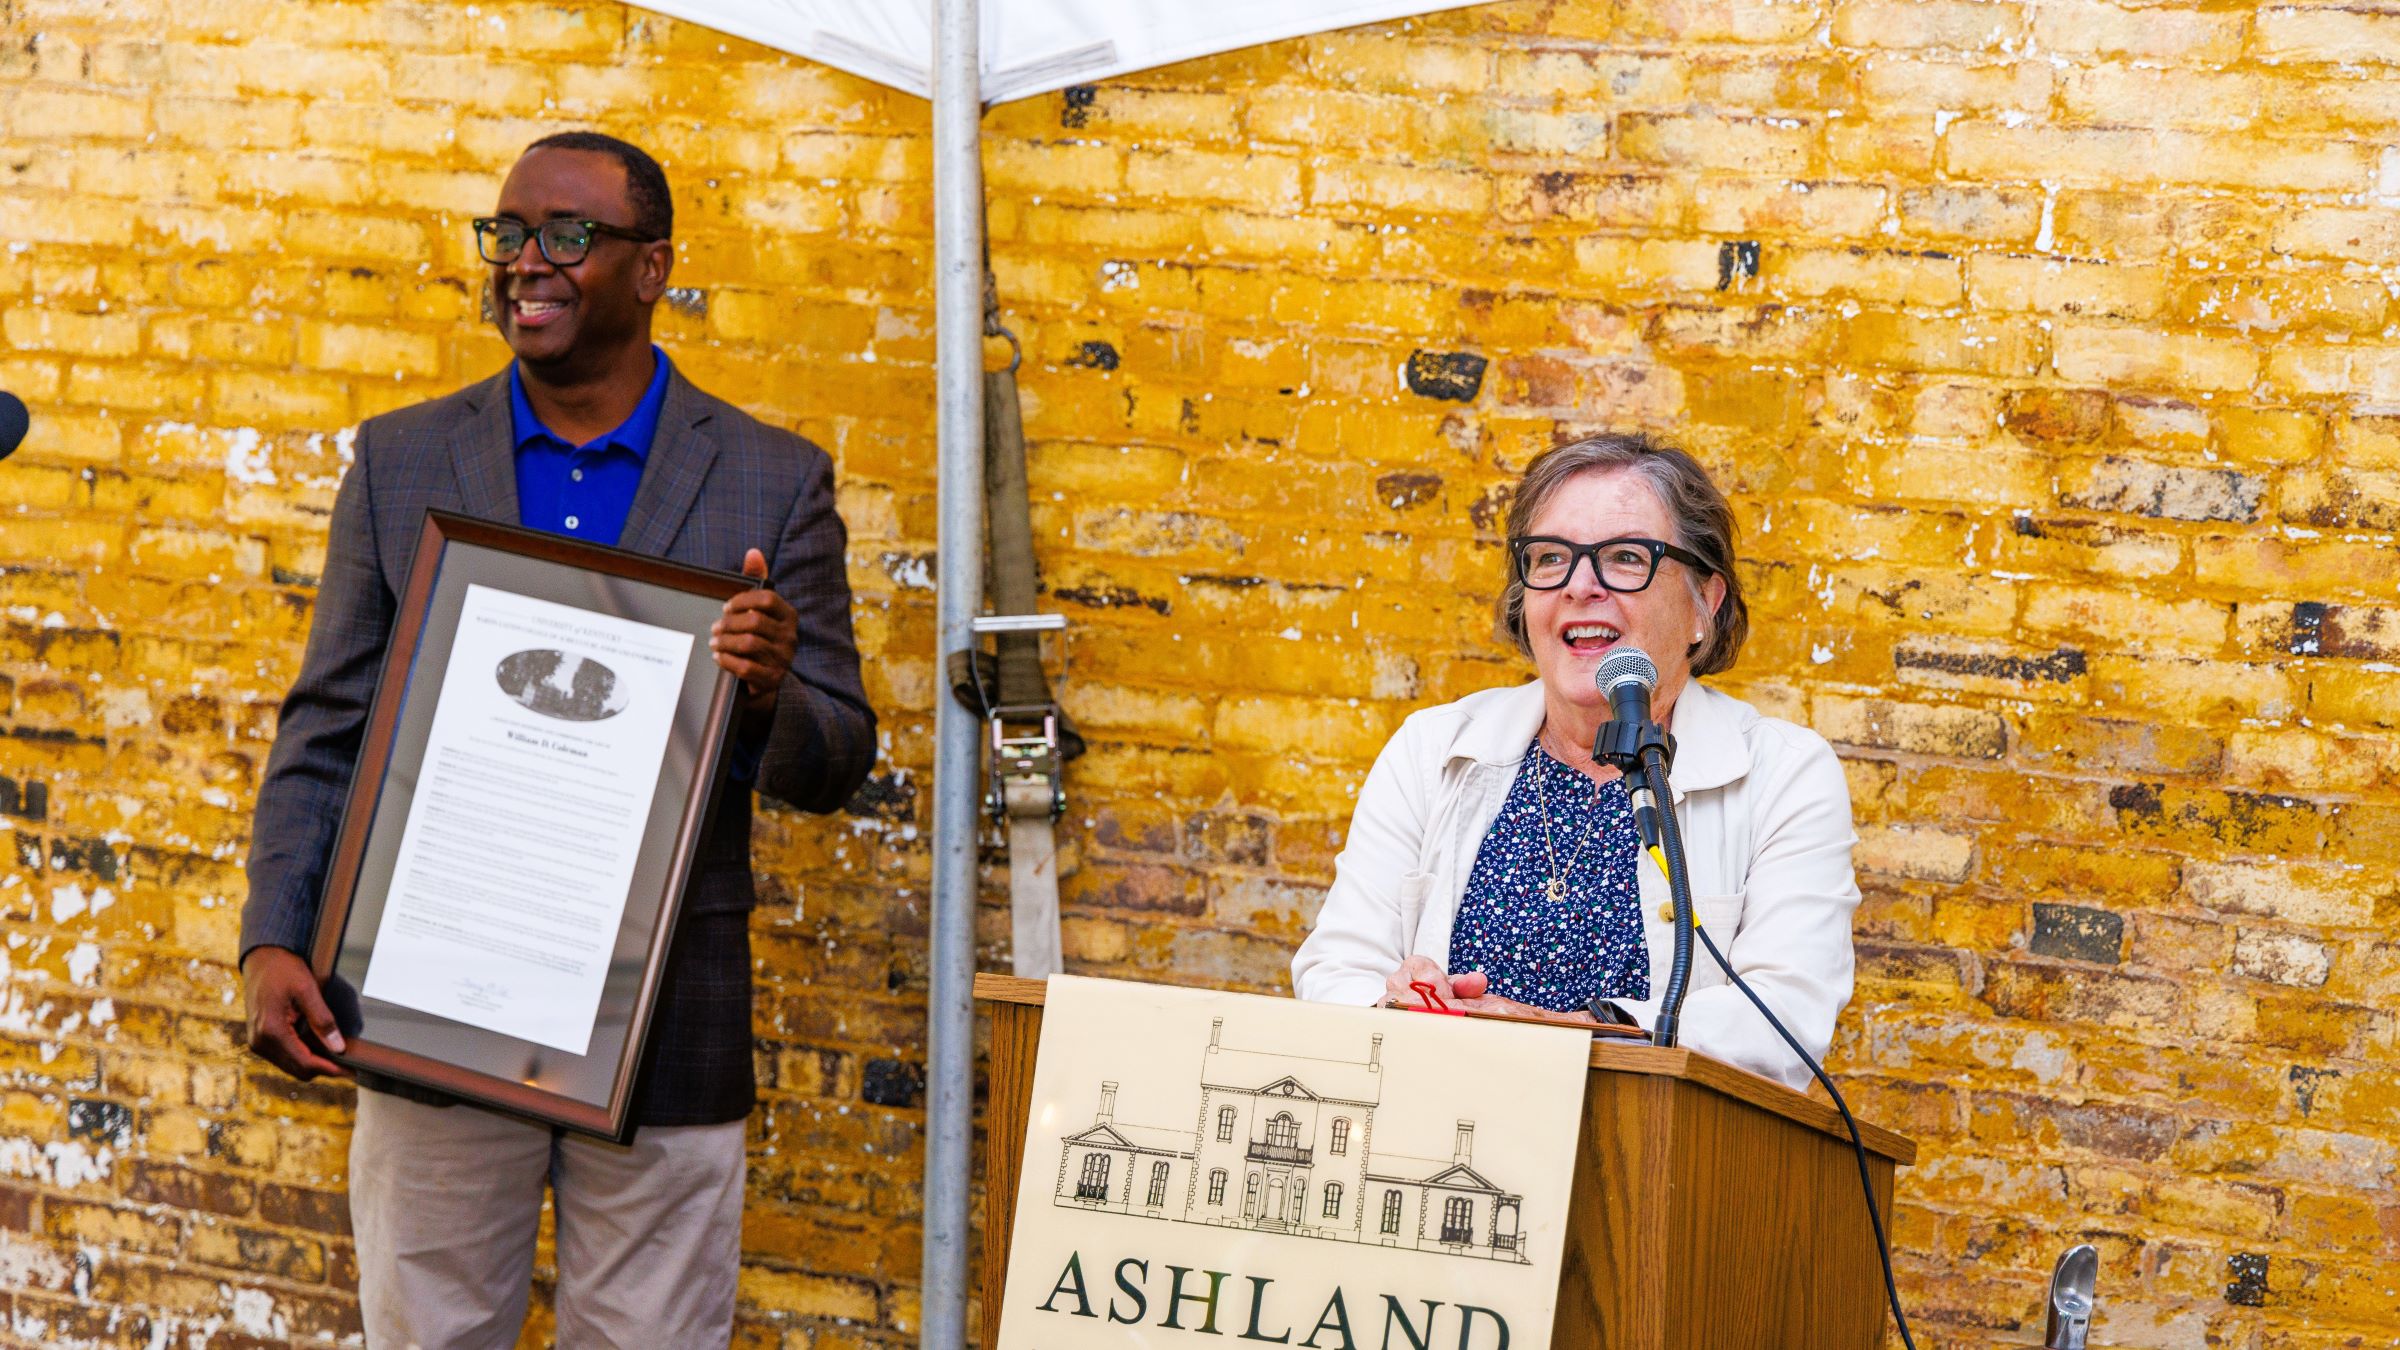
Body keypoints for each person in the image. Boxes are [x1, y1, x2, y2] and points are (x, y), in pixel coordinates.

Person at [239, 131, 875, 1346]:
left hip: (664, 1026)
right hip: (431, 999)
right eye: (508, 233)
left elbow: (837, 757)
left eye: (568, 236)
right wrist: (274, 936)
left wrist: (764, 691)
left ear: (652, 267)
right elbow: (328, 720)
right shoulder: (404, 457)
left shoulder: (768, 479)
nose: (526, 261)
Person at [1291, 433, 1858, 1089]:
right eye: (1551, 558)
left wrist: (1550, 1035)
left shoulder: (1784, 776)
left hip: (1654, 1170)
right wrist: (1400, 1009)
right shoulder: (1432, 750)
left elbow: (1782, 1026)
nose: (1579, 586)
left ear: (1707, 603)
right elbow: (1335, 968)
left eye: (1624, 558)